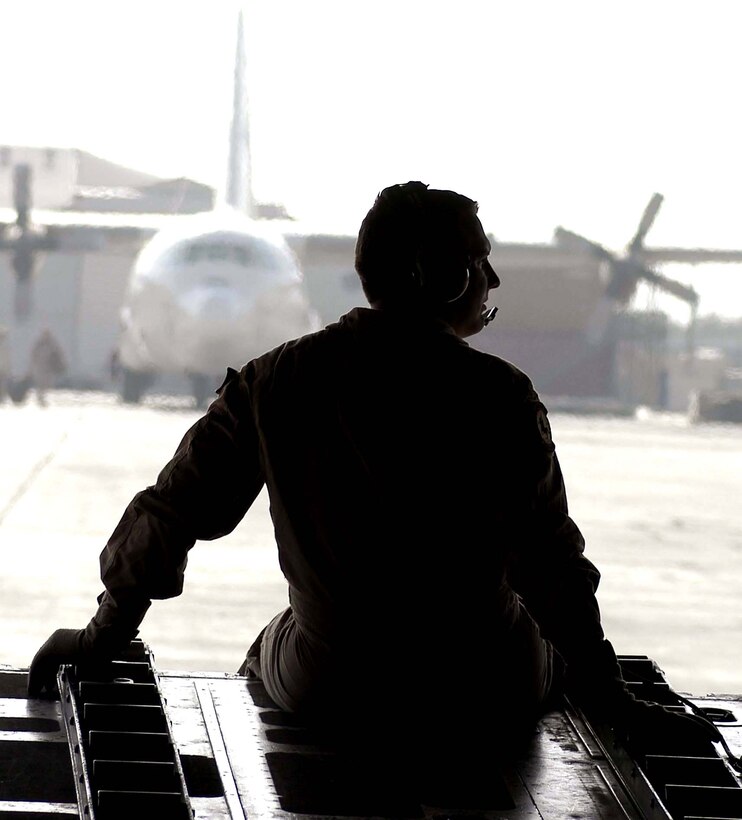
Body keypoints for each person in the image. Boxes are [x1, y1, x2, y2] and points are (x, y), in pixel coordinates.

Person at [28, 182, 720, 769]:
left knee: (270, 650)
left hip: (332, 680)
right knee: (551, 665)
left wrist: (101, 639)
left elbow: (169, 514)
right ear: (434, 275)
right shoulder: (502, 395)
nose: (493, 280)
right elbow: (551, 565)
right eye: (478, 260)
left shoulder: (274, 382)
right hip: (487, 682)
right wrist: (616, 705)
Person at [28, 328, 66, 406]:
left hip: (48, 368)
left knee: (47, 383)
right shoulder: (39, 344)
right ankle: (40, 397)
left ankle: (42, 396)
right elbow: (33, 355)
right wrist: (32, 366)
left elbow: (58, 354)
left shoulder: (53, 344)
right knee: (40, 383)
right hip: (40, 367)